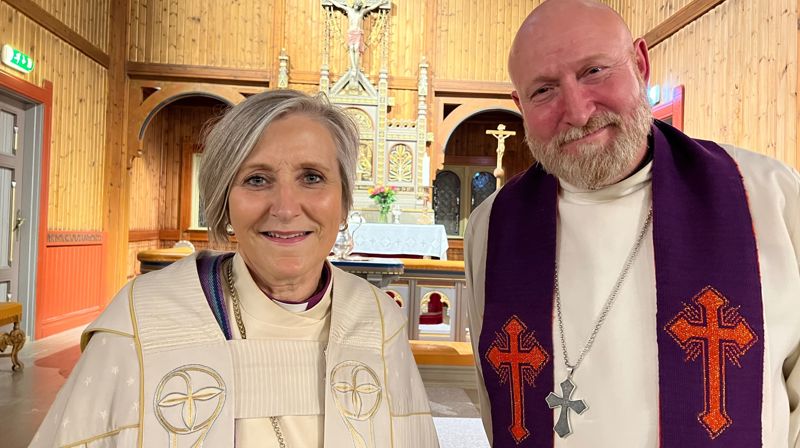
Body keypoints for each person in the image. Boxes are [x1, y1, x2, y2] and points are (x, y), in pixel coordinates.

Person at [464, 1, 800, 447]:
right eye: (543, 90)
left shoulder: (768, 196)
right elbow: (497, 402)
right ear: (519, 105)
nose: (578, 111)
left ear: (640, 63)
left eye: (594, 71)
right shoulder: (492, 227)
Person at [31, 90, 439, 447]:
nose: (285, 208)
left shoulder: (377, 321)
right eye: (257, 180)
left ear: (344, 202)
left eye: (312, 177)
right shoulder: (144, 319)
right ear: (224, 202)